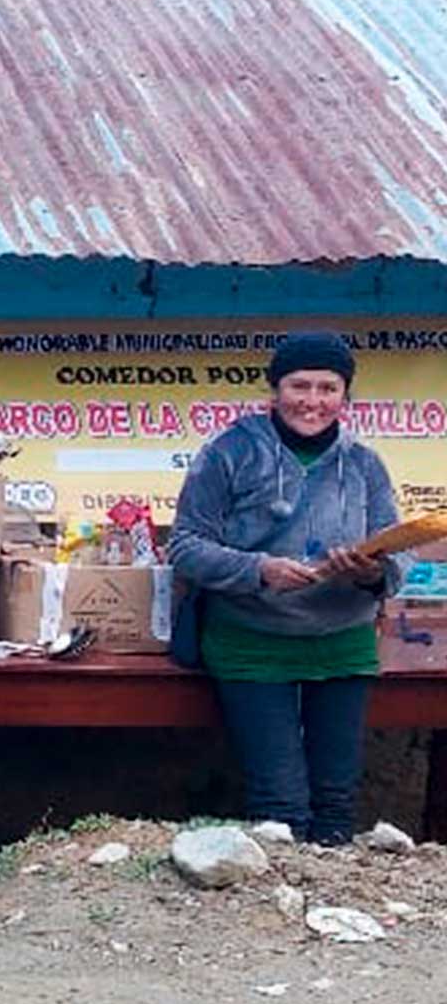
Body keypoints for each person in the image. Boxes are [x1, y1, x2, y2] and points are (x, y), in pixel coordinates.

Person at [170, 332, 403, 846]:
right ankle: (272, 917)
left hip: (344, 643)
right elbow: (185, 546)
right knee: (280, 806)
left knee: (336, 802)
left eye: (328, 388)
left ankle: (330, 919)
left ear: (346, 397)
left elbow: (398, 555)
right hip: (251, 643)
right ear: (274, 389)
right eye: (300, 386)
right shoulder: (229, 453)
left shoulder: (364, 464)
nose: (313, 401)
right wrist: (259, 569)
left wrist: (369, 571)